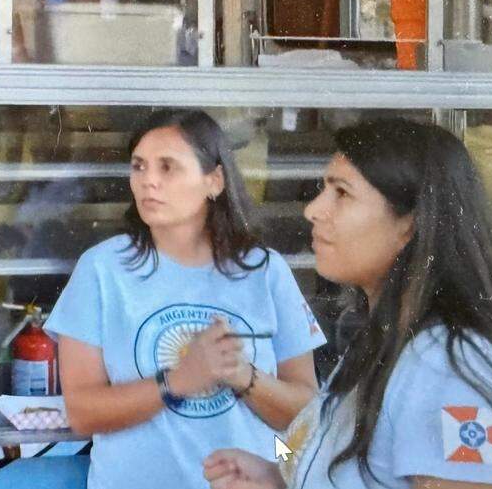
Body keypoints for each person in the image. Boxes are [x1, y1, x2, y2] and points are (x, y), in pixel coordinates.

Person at [204, 118, 492, 489]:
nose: (313, 210)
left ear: (410, 225)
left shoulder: (447, 362)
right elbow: (310, 447)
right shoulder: (377, 344)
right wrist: (276, 473)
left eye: (342, 193)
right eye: (322, 189)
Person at [45, 109, 327, 489]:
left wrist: (242, 377)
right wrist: (177, 381)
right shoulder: (102, 269)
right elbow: (82, 412)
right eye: (139, 167)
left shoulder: (265, 271)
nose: (149, 182)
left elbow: (306, 412)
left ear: (214, 181)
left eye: (168, 167)